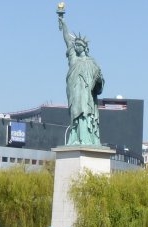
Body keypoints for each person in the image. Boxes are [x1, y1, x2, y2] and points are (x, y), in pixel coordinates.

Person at [57, 5, 104, 146]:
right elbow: (66, 39)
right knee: (75, 115)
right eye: (75, 45)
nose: (76, 47)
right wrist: (63, 22)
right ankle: (75, 137)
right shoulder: (73, 59)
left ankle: (87, 139)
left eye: (79, 45)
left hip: (87, 95)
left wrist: (99, 81)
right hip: (75, 92)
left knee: (86, 114)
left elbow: (100, 83)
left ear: (85, 47)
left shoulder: (92, 63)